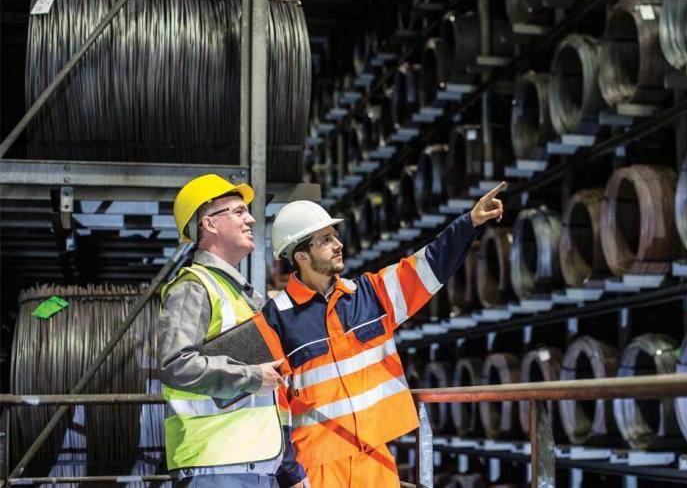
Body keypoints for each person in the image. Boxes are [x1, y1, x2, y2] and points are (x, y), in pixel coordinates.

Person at [261, 182, 506, 486]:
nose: (338, 244)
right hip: (318, 466)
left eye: (335, 235)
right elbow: (271, 404)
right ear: (301, 256)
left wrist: (469, 224)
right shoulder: (275, 319)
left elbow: (427, 267)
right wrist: (289, 474)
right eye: (325, 240)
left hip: (374, 454)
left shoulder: (370, 294)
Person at [158, 174, 307, 488]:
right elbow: (176, 365)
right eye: (238, 211)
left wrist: (287, 468)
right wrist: (252, 377)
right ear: (210, 224)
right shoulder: (193, 288)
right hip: (216, 467)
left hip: (255, 467)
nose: (251, 219)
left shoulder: (240, 295)